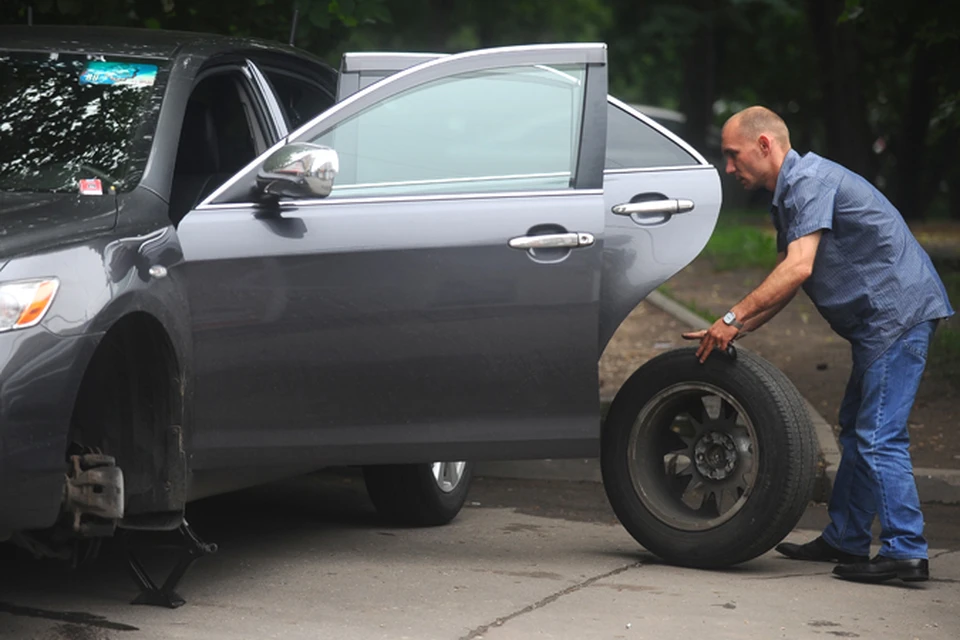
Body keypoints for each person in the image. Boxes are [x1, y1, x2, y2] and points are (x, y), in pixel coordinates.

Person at [683, 106, 954, 583]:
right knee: (856, 428)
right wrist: (732, 329)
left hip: (898, 316)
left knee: (878, 435)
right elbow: (786, 286)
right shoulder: (792, 191)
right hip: (881, 323)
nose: (728, 167)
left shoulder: (808, 182)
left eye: (732, 155)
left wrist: (731, 317)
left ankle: (906, 551)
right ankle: (847, 539)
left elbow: (798, 267)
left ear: (764, 145)